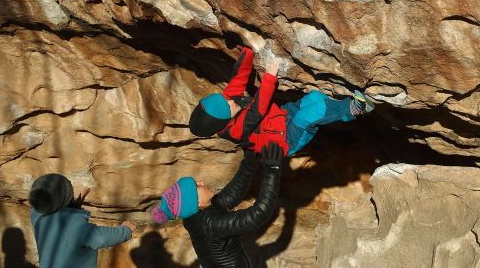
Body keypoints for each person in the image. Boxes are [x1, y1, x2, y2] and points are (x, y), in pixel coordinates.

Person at [188, 46, 375, 156]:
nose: (229, 101)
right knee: (310, 114)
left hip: (282, 115)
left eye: (223, 99)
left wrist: (247, 52)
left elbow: (238, 78)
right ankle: (356, 108)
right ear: (224, 122)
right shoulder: (236, 131)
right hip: (286, 141)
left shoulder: (227, 102)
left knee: (315, 98)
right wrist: (269, 77)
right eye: (227, 107)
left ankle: (338, 109)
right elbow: (258, 111)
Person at [151, 143, 284, 268]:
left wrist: (249, 162)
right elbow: (258, 214)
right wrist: (272, 170)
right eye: (197, 186)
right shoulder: (210, 223)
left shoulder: (196, 215)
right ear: (196, 202)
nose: (202, 182)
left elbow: (231, 195)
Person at [28, 173, 135, 268]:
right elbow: (102, 238)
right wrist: (126, 230)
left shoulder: (36, 216)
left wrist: (72, 208)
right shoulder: (74, 226)